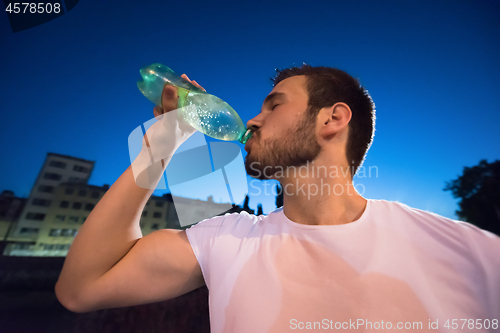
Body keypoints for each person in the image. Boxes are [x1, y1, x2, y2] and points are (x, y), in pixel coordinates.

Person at [55, 65, 500, 332]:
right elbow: (81, 289)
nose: (252, 119)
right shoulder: (224, 241)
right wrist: (163, 142)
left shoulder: (472, 253)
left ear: (333, 119)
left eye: (273, 105)